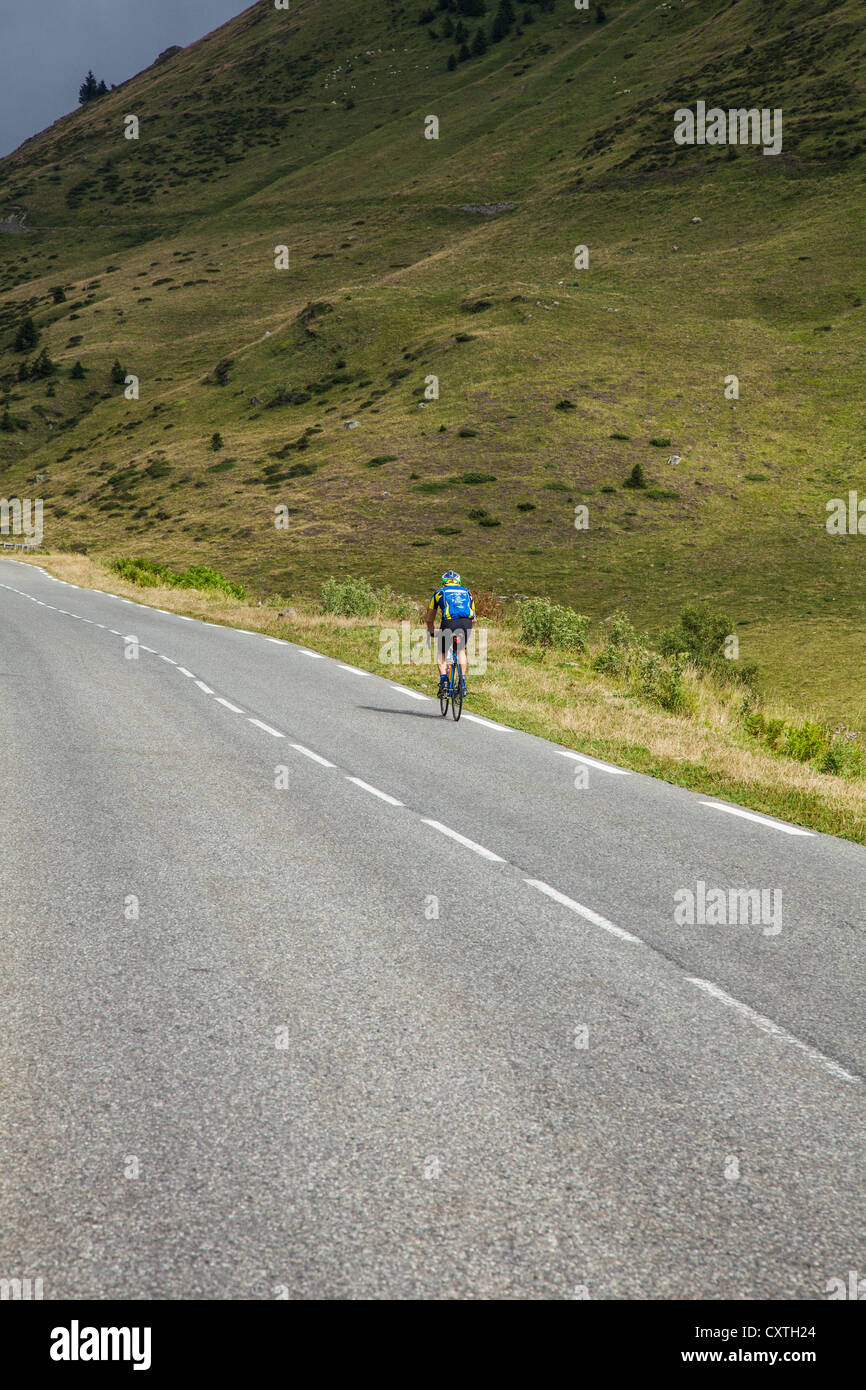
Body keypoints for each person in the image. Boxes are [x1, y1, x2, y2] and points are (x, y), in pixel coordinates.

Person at [426, 570, 476, 697]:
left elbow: (429, 619)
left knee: (441, 652)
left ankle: (443, 680)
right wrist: (468, 630)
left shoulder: (439, 592)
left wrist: (431, 632)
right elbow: (474, 618)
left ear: (444, 583)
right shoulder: (467, 592)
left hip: (449, 623)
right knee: (461, 650)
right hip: (466, 623)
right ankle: (463, 683)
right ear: (459, 582)